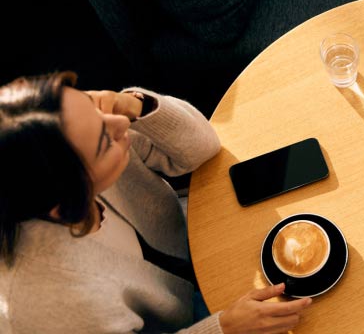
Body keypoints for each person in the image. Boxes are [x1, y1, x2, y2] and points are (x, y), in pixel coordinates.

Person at [0, 72, 311, 334]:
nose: (121, 125)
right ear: (65, 202)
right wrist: (223, 328)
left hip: (197, 243)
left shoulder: (80, 133)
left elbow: (203, 147)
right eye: (104, 142)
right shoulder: (50, 304)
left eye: (91, 102)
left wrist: (133, 102)